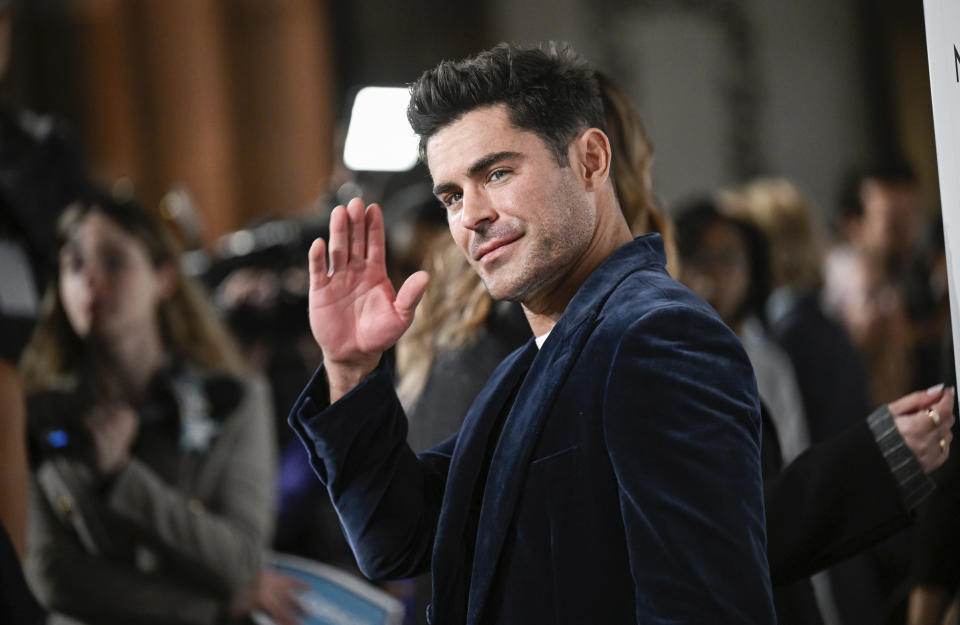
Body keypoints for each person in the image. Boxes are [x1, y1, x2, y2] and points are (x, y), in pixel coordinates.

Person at [289, 42, 774, 624]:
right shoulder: (530, 363)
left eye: (496, 173)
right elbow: (397, 539)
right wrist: (349, 368)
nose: (471, 215)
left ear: (591, 160)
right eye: (452, 195)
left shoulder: (658, 336)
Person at [18, 192, 302, 624]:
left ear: (163, 278)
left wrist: (120, 478)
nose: (89, 280)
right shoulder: (39, 413)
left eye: (113, 262)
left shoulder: (236, 398)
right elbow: (51, 573)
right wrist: (205, 608)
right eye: (74, 265)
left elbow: (239, 560)